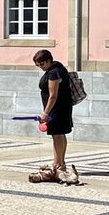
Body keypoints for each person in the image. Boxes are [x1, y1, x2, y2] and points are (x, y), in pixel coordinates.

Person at [32, 49, 78, 184]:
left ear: (48, 61)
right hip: (61, 108)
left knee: (57, 136)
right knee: (59, 135)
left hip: (56, 109)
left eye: (41, 64)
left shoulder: (54, 73)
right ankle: (59, 163)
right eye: (38, 65)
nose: (40, 67)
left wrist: (45, 113)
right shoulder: (57, 68)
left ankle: (58, 165)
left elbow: (53, 95)